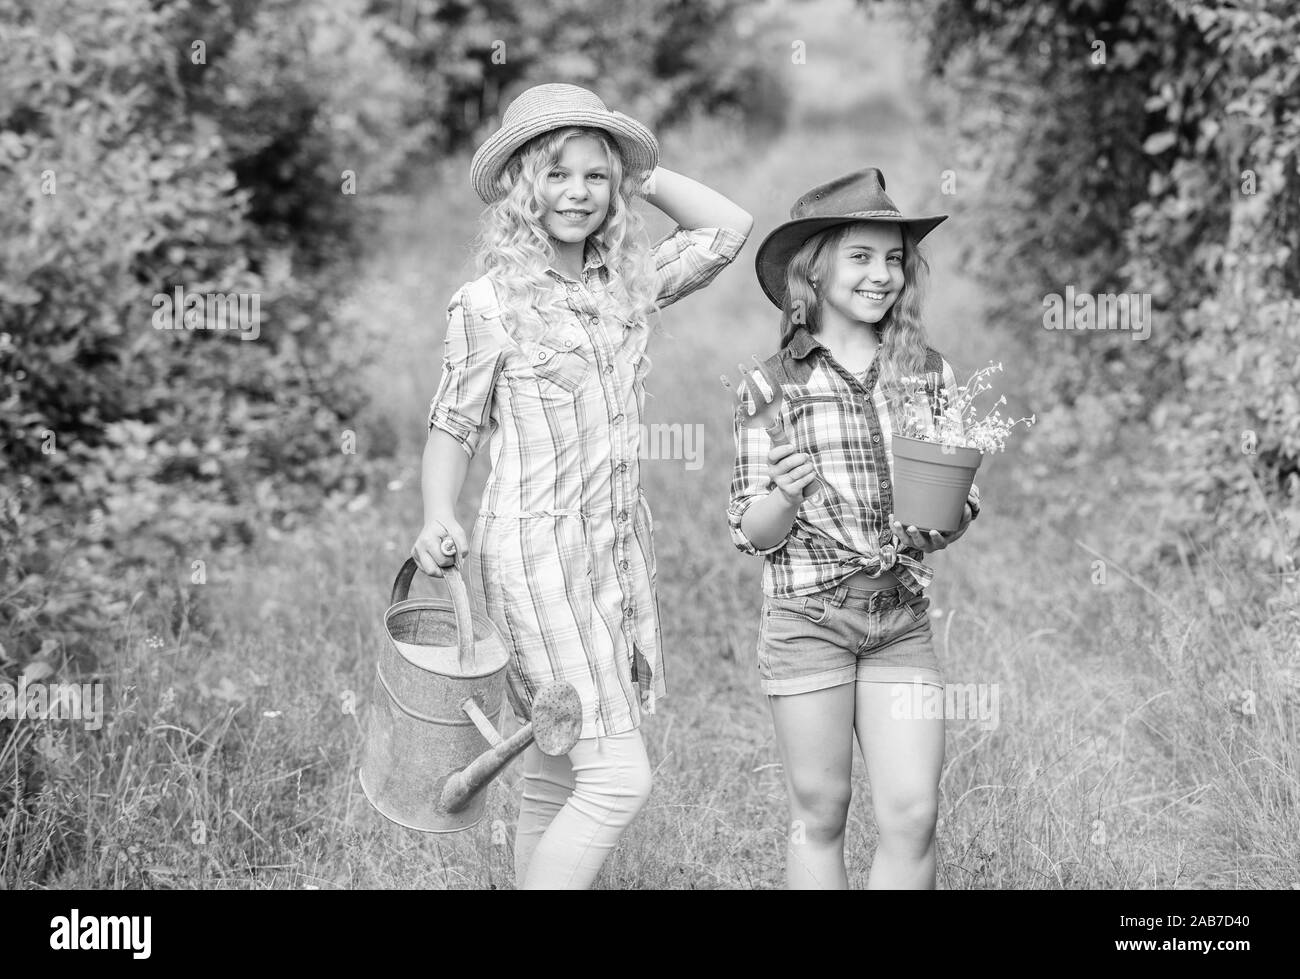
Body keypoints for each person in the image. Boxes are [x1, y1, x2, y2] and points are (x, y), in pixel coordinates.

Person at [411, 83, 752, 889]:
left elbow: (728, 228)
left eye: (594, 177)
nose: (577, 193)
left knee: (558, 765)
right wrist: (435, 513)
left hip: (609, 555)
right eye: (557, 174)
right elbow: (453, 426)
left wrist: (636, 170)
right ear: (524, 184)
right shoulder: (487, 303)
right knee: (618, 777)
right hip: (532, 554)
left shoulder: (626, 286)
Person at [727, 167, 979, 889]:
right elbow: (752, 530)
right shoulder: (771, 386)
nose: (882, 275)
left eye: (894, 258)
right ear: (815, 267)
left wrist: (942, 520)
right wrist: (782, 494)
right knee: (821, 809)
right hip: (809, 619)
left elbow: (958, 505)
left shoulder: (927, 373)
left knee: (913, 812)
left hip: (899, 616)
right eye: (861, 256)